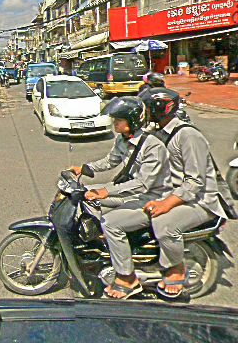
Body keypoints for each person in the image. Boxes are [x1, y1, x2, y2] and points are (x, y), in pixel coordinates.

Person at [66, 96, 172, 300]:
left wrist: (107, 191)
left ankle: (127, 278)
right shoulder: (123, 139)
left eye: (119, 120)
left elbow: (143, 184)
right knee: (87, 194)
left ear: (132, 121)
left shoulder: (153, 146)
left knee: (111, 223)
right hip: (133, 193)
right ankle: (115, 246)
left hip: (153, 199)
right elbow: (110, 161)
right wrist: (85, 168)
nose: (115, 123)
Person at [141, 87, 234, 298]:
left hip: (201, 201)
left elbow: (195, 182)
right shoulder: (158, 132)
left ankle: (175, 271)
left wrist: (166, 204)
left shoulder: (188, 136)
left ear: (160, 109)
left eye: (146, 109)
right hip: (176, 194)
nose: (143, 114)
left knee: (164, 224)